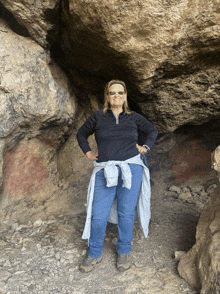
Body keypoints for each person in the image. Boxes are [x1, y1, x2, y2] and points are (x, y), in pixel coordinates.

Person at [77, 79, 158, 273]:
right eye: (112, 93)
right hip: (105, 169)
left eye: (120, 93)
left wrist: (145, 147)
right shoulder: (98, 117)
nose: (116, 96)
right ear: (107, 96)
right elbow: (81, 134)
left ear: (125, 96)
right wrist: (88, 153)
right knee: (98, 215)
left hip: (131, 168)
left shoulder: (133, 117)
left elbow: (152, 131)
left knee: (126, 213)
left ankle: (124, 251)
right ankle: (94, 252)